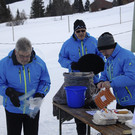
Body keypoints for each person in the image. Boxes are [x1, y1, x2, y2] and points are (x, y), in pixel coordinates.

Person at [58, 19, 103, 135]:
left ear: (86, 30)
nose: (81, 33)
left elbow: (101, 56)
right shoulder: (67, 44)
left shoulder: (93, 41)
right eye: (78, 31)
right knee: (79, 113)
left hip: (93, 81)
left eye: (83, 30)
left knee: (93, 110)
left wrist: (98, 65)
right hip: (76, 82)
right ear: (74, 32)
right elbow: (61, 59)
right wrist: (71, 64)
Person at [0, 37, 51, 135]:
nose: (25, 59)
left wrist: (40, 94)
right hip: (13, 108)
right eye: (22, 56)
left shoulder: (39, 63)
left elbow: (45, 82)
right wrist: (8, 92)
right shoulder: (4, 64)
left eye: (28, 56)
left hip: (32, 108)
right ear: (16, 52)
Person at [97, 32, 135, 113]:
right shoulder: (109, 58)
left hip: (132, 101)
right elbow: (105, 72)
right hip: (121, 101)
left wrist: (111, 82)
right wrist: (102, 81)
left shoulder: (127, 56)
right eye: (101, 52)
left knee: (129, 125)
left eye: (104, 51)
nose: (103, 54)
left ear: (111, 47)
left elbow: (132, 77)